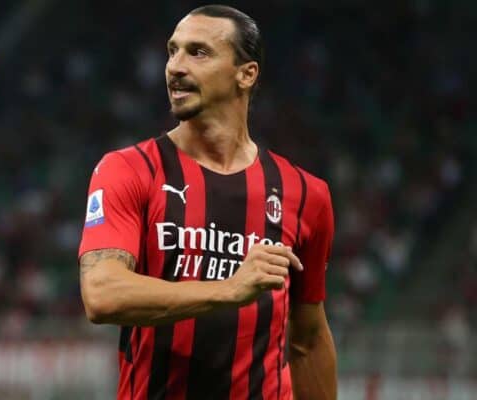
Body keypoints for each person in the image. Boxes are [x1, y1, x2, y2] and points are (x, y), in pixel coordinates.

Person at [79, 5, 336, 400]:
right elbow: (102, 293)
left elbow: (309, 340)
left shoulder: (306, 194)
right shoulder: (129, 170)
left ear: (245, 74)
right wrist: (228, 290)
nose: (175, 67)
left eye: (198, 53)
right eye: (172, 50)